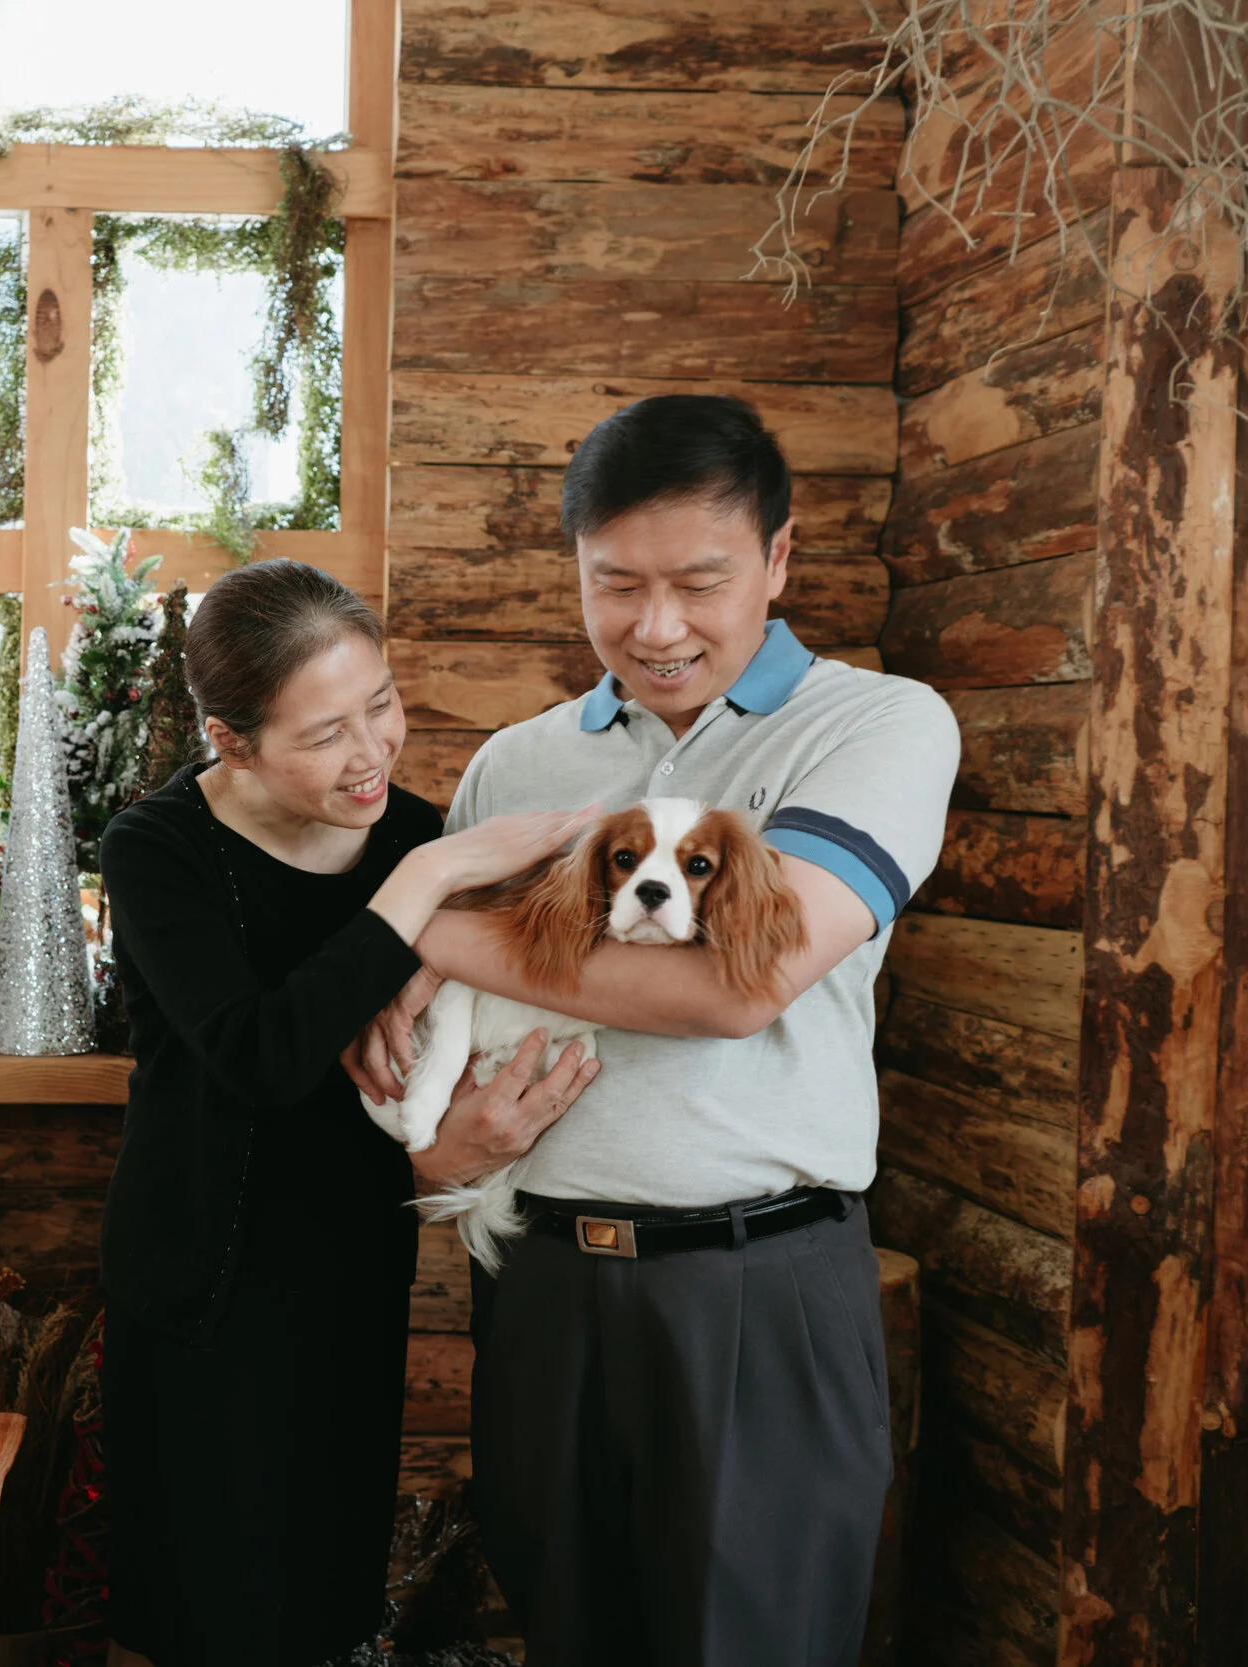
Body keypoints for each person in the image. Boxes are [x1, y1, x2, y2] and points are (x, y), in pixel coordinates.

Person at [343, 394, 959, 1666]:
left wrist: (424, 928)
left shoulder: (875, 725)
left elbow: (739, 988)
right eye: (615, 583)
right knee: (565, 1634)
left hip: (755, 1287)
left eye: (699, 582)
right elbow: (448, 1020)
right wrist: (440, 1130)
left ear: (776, 560)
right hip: (540, 1283)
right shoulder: (512, 768)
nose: (656, 626)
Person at [96, 559, 601, 1667]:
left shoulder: (416, 833)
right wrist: (422, 883)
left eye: (380, 703)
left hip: (345, 1274)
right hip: (201, 1284)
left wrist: (448, 1145)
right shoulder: (157, 849)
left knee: (325, 1612)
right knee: (201, 1620)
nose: (371, 751)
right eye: (325, 733)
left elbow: (447, 1035)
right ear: (230, 742)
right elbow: (260, 1057)